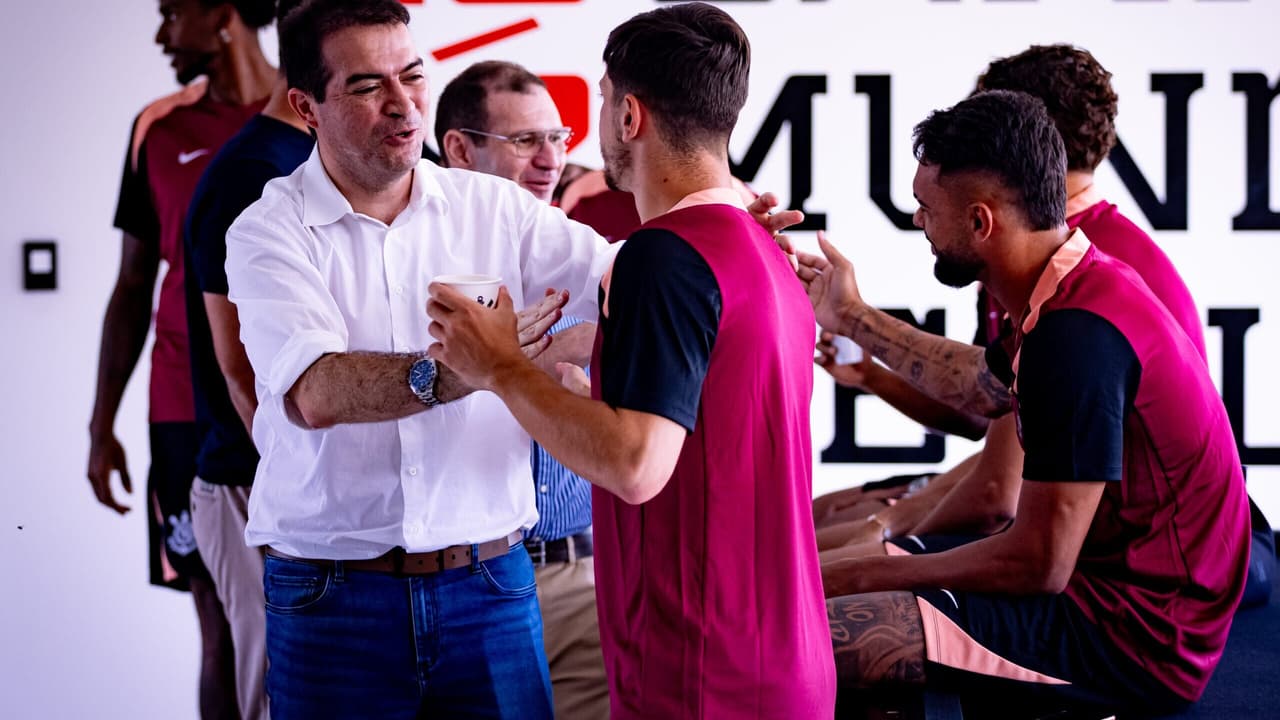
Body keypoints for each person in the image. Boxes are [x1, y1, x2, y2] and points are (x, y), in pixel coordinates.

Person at [427, 4, 836, 718]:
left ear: (628, 117)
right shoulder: (763, 254)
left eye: (603, 100)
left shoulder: (665, 255)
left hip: (701, 670)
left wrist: (500, 366)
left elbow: (635, 466)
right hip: (782, 663)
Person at [798, 90, 1249, 714]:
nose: (918, 223)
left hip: (1134, 638)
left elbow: (1040, 563)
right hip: (1098, 590)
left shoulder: (1076, 334)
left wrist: (866, 569)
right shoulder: (1069, 282)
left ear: (981, 223)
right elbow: (976, 386)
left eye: (926, 209)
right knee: (818, 586)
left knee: (804, 635)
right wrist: (850, 315)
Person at [812, 44, 1212, 559]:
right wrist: (870, 367)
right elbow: (989, 403)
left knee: (819, 559)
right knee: (826, 523)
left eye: (990, 121)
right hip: (1112, 539)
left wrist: (882, 534)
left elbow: (1001, 491)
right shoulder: (1052, 249)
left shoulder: (1068, 278)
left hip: (1137, 565)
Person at [87, 1, 275, 716]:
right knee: (219, 622)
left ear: (222, 12)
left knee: (307, 612)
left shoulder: (307, 110)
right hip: (184, 411)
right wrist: (99, 425)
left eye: (172, 14)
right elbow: (133, 285)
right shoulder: (158, 128)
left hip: (294, 400)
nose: (162, 34)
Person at [434, 59, 608, 720]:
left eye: (558, 139)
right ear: (459, 149)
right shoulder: (417, 267)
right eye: (525, 141)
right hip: (462, 586)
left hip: (579, 579)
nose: (550, 160)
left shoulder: (595, 264)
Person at [182, 3, 310, 718]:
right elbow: (241, 372)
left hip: (283, 486)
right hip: (248, 481)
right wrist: (301, 488)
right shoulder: (253, 172)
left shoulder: (312, 161)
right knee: (271, 694)